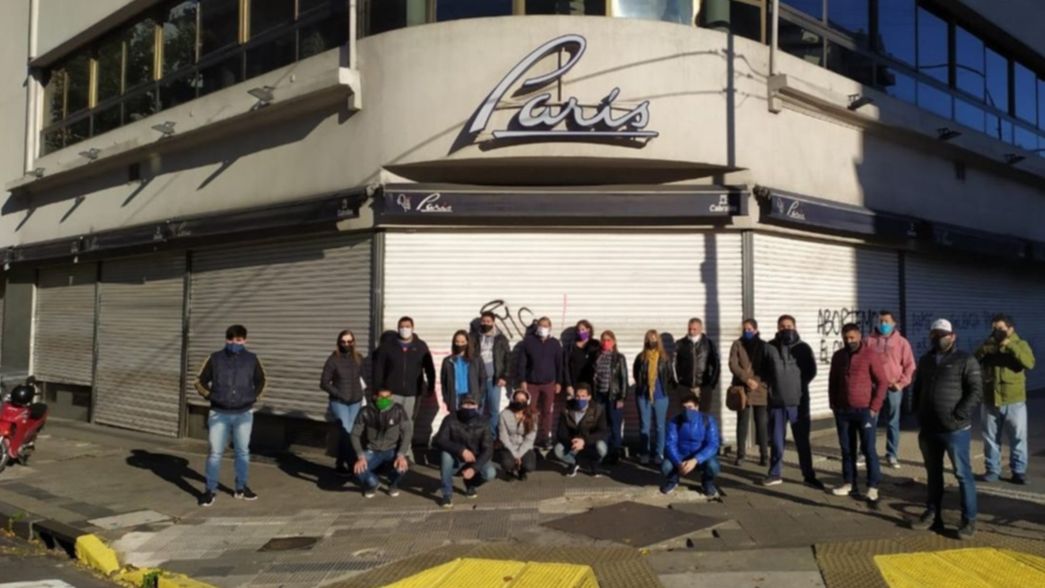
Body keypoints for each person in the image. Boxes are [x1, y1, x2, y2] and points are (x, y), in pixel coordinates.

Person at [910, 319, 982, 538]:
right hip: (929, 428)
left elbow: (976, 391)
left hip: (955, 429)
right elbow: (918, 388)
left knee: (962, 474)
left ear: (952, 336)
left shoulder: (965, 360)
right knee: (933, 474)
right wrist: (917, 412)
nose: (937, 338)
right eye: (934, 335)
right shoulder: (925, 360)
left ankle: (968, 520)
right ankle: (933, 514)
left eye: (941, 334)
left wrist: (959, 414)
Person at [193, 324, 267, 507]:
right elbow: (199, 381)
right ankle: (210, 491)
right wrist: (211, 396)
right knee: (215, 453)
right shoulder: (215, 358)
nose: (235, 343)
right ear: (226, 340)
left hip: (244, 414)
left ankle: (241, 488)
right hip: (219, 413)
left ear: (245, 340)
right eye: (232, 340)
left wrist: (253, 397)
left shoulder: (252, 359)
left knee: (242, 452)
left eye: (239, 340)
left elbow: (262, 380)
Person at [828, 323, 888, 502]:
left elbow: (882, 382)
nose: (849, 341)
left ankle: (872, 486)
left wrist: (874, 407)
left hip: (864, 411)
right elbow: (833, 381)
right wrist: (834, 405)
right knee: (847, 450)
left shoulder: (870, 354)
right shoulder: (838, 356)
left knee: (868, 449)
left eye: (852, 338)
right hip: (843, 411)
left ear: (859, 336)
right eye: (846, 338)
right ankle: (849, 482)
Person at [761, 315, 823, 489]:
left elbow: (811, 371)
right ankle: (774, 474)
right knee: (777, 440)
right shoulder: (769, 347)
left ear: (795, 327)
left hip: (799, 402)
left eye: (788, 326)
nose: (785, 329)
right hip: (776, 402)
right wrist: (773, 387)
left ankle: (808, 475)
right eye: (782, 326)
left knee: (802, 440)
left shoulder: (803, 348)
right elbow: (763, 371)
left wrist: (797, 385)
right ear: (777, 328)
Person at [975, 313, 1035, 485]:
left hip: (1014, 400)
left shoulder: (1020, 344)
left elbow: (1030, 363)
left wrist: (1009, 346)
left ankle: (1019, 471)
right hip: (990, 399)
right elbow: (973, 360)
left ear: (1010, 329)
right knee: (990, 438)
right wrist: (985, 349)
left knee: (1018, 437)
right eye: (994, 329)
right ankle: (993, 470)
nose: (997, 332)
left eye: (1001, 329)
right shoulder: (988, 345)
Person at [372, 316, 436, 461]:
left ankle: (406, 452)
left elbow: (429, 368)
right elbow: (378, 370)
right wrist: (377, 390)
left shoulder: (420, 346)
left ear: (413, 328)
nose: (404, 329)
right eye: (402, 326)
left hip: (412, 394)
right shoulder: (388, 346)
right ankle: (389, 452)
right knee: (390, 423)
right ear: (398, 328)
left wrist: (431, 386)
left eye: (407, 326)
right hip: (391, 393)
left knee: (407, 424)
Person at [867, 310, 917, 469]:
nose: (883, 324)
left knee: (892, 422)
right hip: (874, 388)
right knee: (869, 421)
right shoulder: (869, 341)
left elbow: (910, 366)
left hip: (893, 388)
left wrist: (901, 383)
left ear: (894, 323)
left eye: (886, 321)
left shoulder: (902, 343)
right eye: (880, 321)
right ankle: (867, 452)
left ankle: (892, 454)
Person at [433, 396, 495, 508]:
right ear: (460, 405)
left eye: (472, 404)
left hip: (474, 459)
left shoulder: (484, 422)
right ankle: (447, 493)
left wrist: (474, 468)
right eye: (466, 404)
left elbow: (488, 449)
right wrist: (461, 450)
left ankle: (470, 483)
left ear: (477, 406)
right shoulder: (450, 419)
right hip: (455, 459)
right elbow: (440, 439)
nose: (469, 407)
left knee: (490, 473)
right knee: (445, 454)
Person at [351, 389, 412, 498]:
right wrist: (360, 456)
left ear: (392, 397)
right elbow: (354, 434)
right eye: (381, 397)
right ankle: (372, 484)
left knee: (402, 467)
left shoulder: (398, 410)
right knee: (358, 469)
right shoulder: (365, 411)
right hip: (372, 450)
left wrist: (401, 455)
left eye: (387, 397)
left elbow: (407, 432)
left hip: (392, 450)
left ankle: (393, 484)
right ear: (375, 397)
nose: (384, 400)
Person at [320, 329, 366, 474]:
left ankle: (340, 463)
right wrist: (338, 394)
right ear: (339, 343)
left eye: (349, 341)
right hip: (339, 402)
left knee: (350, 433)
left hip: (355, 402)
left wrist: (362, 394)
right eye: (343, 342)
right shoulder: (333, 359)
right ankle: (353, 464)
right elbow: (324, 382)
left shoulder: (358, 358)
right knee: (346, 430)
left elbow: (363, 378)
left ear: (353, 342)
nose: (346, 344)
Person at [661, 392, 721, 497]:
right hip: (681, 456)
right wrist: (678, 462)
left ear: (697, 407)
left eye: (690, 407)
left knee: (713, 466)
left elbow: (713, 444)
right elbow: (670, 444)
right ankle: (673, 481)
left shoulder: (708, 420)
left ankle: (707, 482)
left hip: (700, 457)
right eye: (684, 408)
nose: (687, 411)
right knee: (666, 466)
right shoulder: (674, 421)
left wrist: (696, 459)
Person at [517, 317, 564, 448]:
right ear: (537, 327)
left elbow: (560, 364)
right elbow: (522, 363)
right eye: (541, 325)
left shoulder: (555, 343)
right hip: (532, 383)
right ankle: (530, 436)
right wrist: (522, 380)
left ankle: (545, 437)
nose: (543, 328)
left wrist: (559, 382)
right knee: (530, 411)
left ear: (550, 328)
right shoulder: (528, 341)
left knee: (547, 411)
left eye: (546, 325)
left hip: (549, 383)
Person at [729, 319, 769, 466]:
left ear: (756, 329)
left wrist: (756, 381)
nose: (747, 331)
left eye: (750, 329)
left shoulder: (764, 346)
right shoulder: (737, 344)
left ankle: (764, 455)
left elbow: (767, 366)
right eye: (745, 329)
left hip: (759, 389)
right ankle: (741, 454)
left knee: (761, 423)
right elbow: (733, 364)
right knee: (742, 423)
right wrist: (747, 380)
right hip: (742, 389)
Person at [633, 330, 675, 465]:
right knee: (644, 426)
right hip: (643, 396)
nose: (652, 341)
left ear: (659, 341)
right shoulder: (640, 357)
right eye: (649, 338)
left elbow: (668, 376)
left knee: (660, 426)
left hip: (661, 396)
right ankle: (644, 452)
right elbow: (636, 374)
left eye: (654, 338)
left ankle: (659, 453)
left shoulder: (664, 358)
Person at [554, 384, 609, 476]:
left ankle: (593, 463)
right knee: (558, 450)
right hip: (573, 443)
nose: (580, 399)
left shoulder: (598, 410)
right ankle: (574, 463)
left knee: (602, 447)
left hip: (591, 443)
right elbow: (561, 433)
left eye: (583, 396)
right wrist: (574, 442)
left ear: (589, 397)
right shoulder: (566, 410)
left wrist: (584, 441)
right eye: (578, 396)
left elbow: (602, 431)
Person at [471, 311, 511, 436]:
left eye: (488, 321)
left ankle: (493, 437)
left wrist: (504, 376)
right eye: (483, 321)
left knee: (494, 410)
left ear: (493, 323)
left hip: (494, 380)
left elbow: (507, 358)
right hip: (477, 380)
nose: (485, 324)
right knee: (477, 409)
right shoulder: (473, 337)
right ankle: (477, 436)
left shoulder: (501, 338)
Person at [592, 330, 629, 464]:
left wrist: (622, 397)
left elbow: (624, 379)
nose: (605, 342)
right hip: (601, 396)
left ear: (613, 342)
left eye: (608, 340)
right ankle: (603, 452)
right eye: (603, 340)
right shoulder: (598, 356)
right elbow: (595, 378)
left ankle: (615, 452)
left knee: (615, 425)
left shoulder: (619, 357)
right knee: (603, 425)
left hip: (614, 397)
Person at [674, 318, 721, 414]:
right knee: (686, 417)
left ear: (701, 329)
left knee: (703, 416)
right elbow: (673, 364)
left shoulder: (708, 344)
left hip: (704, 387)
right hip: (685, 387)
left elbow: (716, 365)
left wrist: (711, 384)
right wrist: (677, 384)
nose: (691, 331)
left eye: (694, 329)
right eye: (689, 329)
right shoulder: (680, 344)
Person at [441, 330, 486, 413]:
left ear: (467, 343)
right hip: (455, 398)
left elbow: (482, 379)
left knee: (472, 424)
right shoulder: (448, 361)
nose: (460, 344)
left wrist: (479, 397)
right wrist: (447, 399)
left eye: (462, 342)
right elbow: (444, 383)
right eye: (457, 342)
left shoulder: (476, 359)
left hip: (472, 397)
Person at [498, 389, 538, 481]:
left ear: (527, 401)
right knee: (507, 463)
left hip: (525, 447)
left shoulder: (533, 415)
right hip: (509, 446)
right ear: (513, 400)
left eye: (523, 400)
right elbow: (503, 437)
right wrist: (515, 454)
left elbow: (530, 439)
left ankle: (522, 471)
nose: (520, 402)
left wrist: (519, 454)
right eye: (517, 399)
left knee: (529, 466)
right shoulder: (504, 414)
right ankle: (510, 470)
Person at [564, 319, 599, 398]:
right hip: (575, 383)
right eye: (579, 330)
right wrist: (568, 384)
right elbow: (566, 366)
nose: (581, 332)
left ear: (588, 329)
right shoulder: (571, 346)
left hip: (590, 383)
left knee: (590, 407)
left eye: (583, 329)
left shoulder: (595, 344)